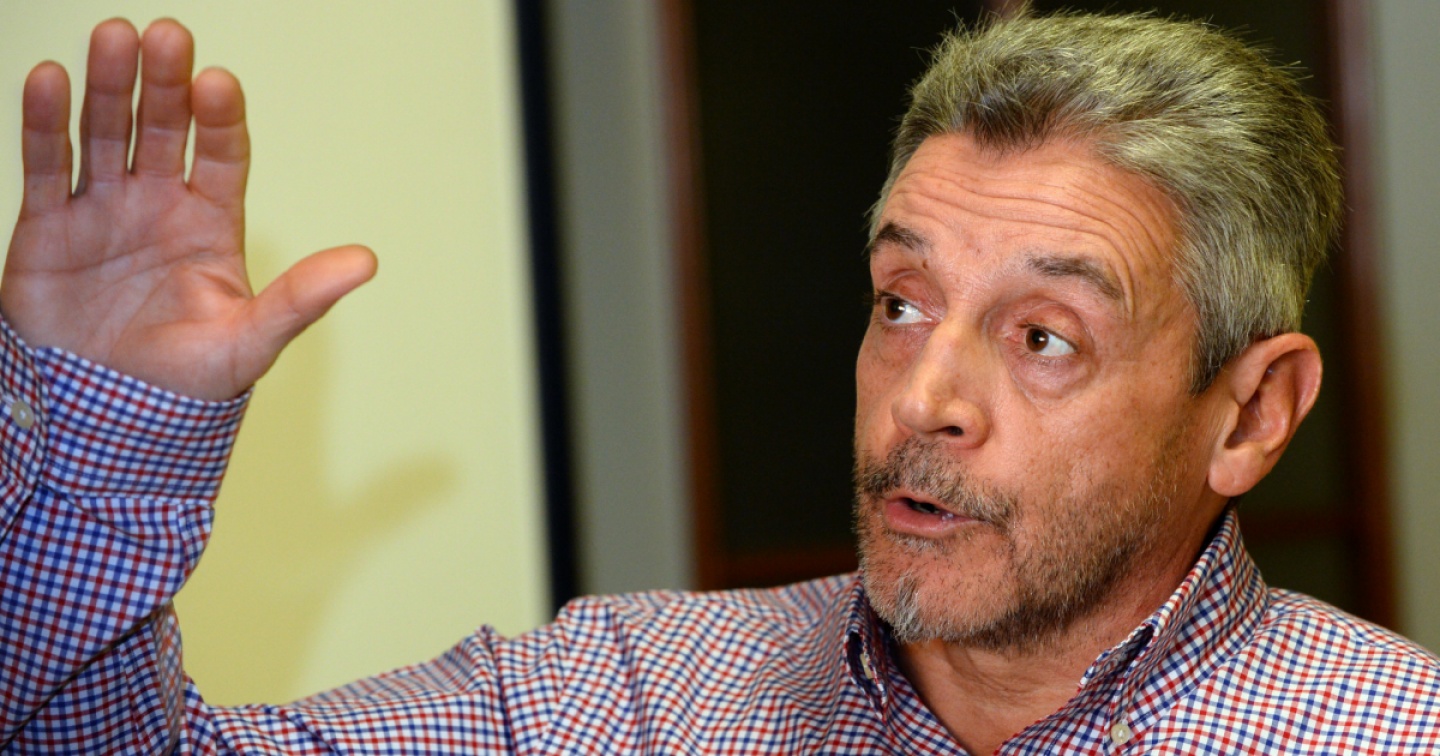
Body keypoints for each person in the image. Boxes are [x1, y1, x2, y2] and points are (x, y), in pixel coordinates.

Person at [1, 10, 1437, 755]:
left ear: (1250, 414)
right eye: (902, 303)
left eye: (1043, 337)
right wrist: (110, 439)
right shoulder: (621, 702)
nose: (924, 398)